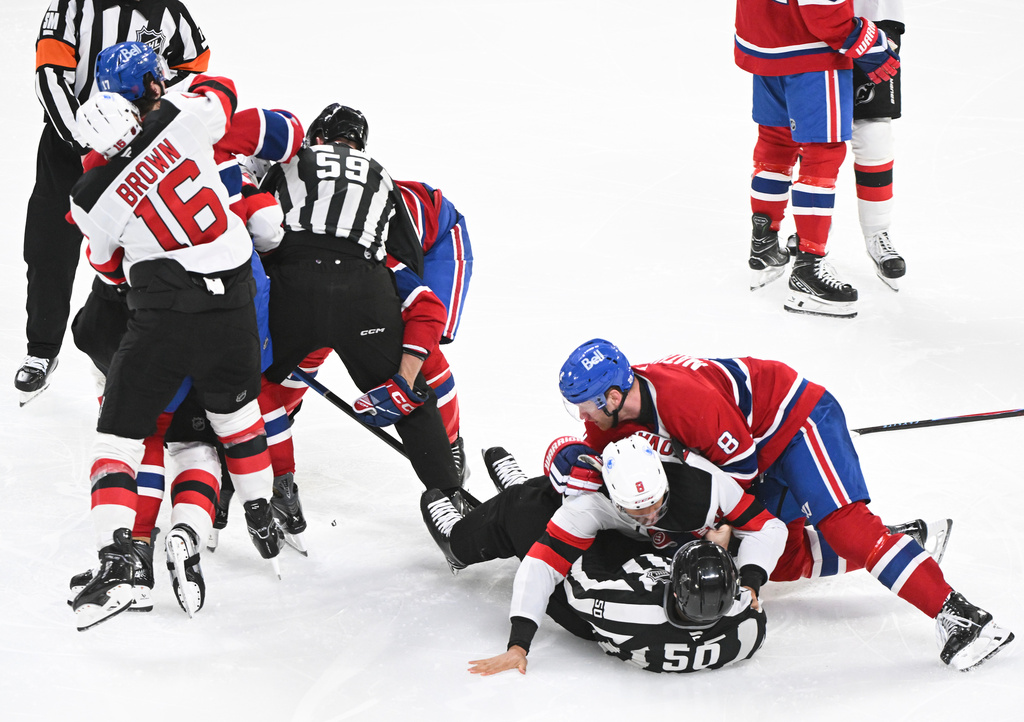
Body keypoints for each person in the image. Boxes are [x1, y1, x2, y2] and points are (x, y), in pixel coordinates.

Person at [555, 338, 1014, 671]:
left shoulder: (685, 401)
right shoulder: (610, 419)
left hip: (795, 423)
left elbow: (740, 470)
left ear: (614, 396)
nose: (581, 415)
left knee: (843, 526)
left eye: (585, 404)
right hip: (754, 450)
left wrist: (721, 528)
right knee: (775, 556)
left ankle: (964, 617)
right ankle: (903, 544)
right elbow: (602, 463)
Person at [66, 69, 278, 630]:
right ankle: (259, 505)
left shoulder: (90, 195)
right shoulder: (179, 118)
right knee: (235, 416)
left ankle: (121, 560)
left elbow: (106, 267)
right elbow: (225, 90)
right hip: (233, 300)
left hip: (161, 317)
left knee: (123, 438)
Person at [420, 434, 786, 674]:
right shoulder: (749, 622)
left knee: (523, 510)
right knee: (560, 504)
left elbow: (541, 565)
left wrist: (519, 643)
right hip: (642, 559)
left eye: (654, 505)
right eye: (637, 509)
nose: (649, 517)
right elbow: (767, 528)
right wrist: (749, 576)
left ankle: (461, 540)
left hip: (602, 580)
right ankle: (535, 488)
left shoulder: (595, 501)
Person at [259, 104, 465, 505]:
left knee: (250, 382)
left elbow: (258, 230)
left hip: (296, 281)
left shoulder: (293, 162)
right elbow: (410, 262)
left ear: (315, 137)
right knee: (415, 382)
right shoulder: (381, 173)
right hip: (366, 286)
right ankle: (449, 490)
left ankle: (260, 479)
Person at [17, 0, 209, 405]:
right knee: (49, 246)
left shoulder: (169, 10)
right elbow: (49, 74)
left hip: (140, 150)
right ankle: (42, 350)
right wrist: (87, 136)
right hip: (71, 148)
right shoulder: (73, 6)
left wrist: (144, 109)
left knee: (135, 252)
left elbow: (195, 60)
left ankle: (130, 357)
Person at [736, 0, 900, 318]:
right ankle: (808, 271)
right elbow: (825, 15)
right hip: (810, 53)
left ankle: (764, 245)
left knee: (775, 143)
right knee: (823, 152)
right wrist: (876, 47)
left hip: (766, 44)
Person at [852, 0, 906, 290]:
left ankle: (877, 234)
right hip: (809, 23)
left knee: (874, 132)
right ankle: (810, 234)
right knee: (816, 135)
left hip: (875, 20)